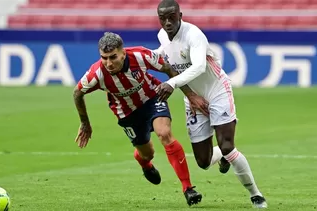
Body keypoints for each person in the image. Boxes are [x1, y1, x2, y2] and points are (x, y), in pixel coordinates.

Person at [154, 0, 268, 208]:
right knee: (203, 162)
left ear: (180, 15)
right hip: (193, 98)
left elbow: (198, 67)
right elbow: (163, 54)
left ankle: (256, 195)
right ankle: (224, 156)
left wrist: (171, 83)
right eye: (163, 18)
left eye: (172, 16)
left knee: (228, 147)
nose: (168, 22)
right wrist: (143, 59)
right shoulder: (162, 36)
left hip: (217, 91)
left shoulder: (194, 35)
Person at [73, 32, 206, 206]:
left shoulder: (140, 55)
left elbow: (167, 68)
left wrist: (189, 95)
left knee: (164, 133)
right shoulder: (96, 73)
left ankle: (188, 189)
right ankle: (143, 162)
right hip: (127, 113)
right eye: (104, 58)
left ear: (123, 53)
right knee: (147, 153)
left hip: (152, 98)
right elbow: (77, 93)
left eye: (113, 57)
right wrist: (85, 123)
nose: (108, 63)